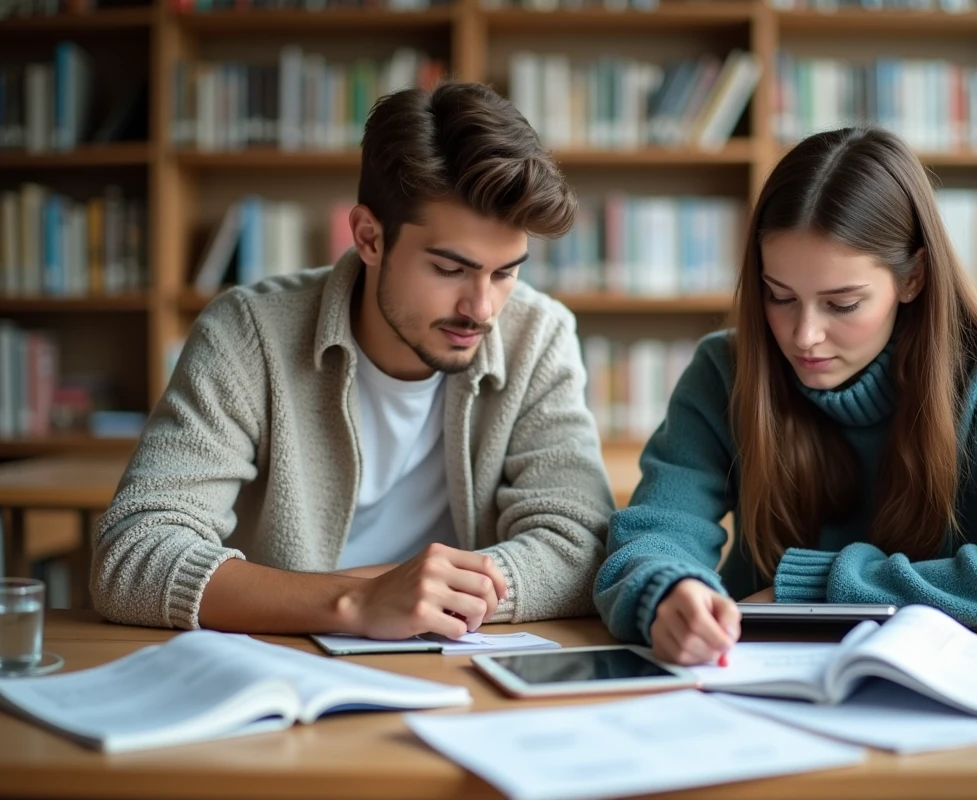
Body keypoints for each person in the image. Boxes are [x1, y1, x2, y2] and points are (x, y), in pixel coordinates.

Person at [93, 82, 615, 639]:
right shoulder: (247, 332)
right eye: (449, 269)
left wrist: (423, 593)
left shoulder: (538, 335)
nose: (481, 309)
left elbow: (583, 548)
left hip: (458, 660)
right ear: (369, 238)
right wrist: (355, 601)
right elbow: (133, 553)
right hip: (287, 660)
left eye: (506, 272)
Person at [594, 126, 977, 665]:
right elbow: (653, 536)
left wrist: (816, 590)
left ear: (913, 278)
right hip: (752, 680)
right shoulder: (725, 372)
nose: (803, 336)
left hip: (940, 694)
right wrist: (666, 591)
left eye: (842, 304)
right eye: (779, 296)